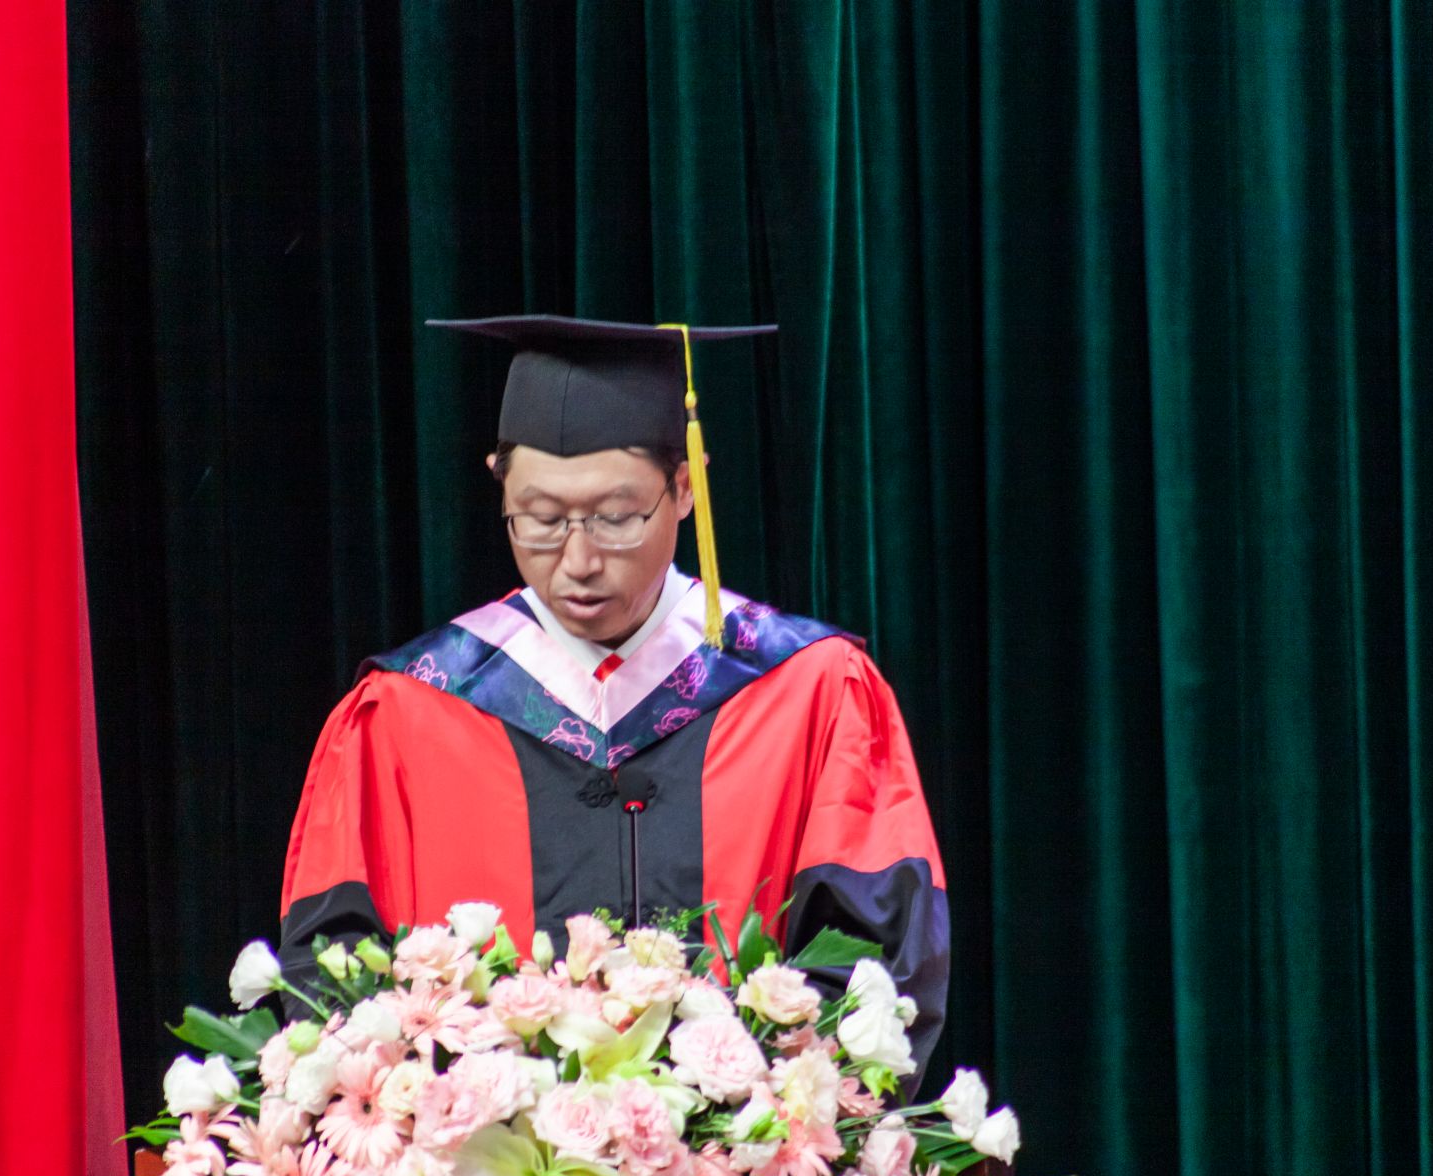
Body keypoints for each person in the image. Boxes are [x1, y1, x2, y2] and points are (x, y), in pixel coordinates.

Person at [277, 315, 950, 1076]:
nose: (578, 559)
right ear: (498, 481)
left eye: (617, 518)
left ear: (685, 487)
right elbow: (333, 977)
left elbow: (874, 970)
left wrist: (749, 1110)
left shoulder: (811, 692)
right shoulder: (408, 712)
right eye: (540, 518)